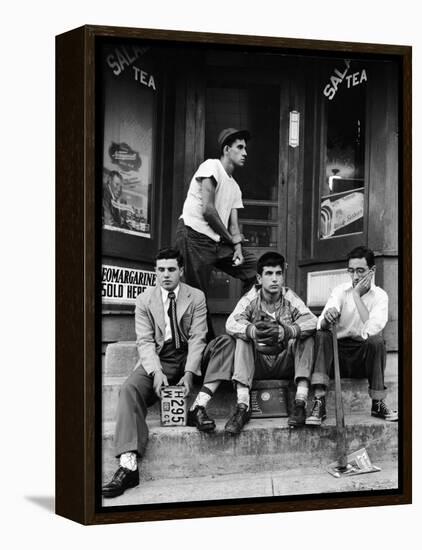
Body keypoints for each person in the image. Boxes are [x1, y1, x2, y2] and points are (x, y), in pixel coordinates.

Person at [102, 247, 208, 498]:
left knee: (214, 352)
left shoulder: (197, 296)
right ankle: (128, 466)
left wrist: (190, 373)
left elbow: (198, 338)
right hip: (160, 358)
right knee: (129, 389)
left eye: (171, 269)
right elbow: (145, 342)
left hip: (189, 357)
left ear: (181, 271)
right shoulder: (144, 300)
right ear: (155, 272)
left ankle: (198, 407)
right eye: (161, 270)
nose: (166, 275)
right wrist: (156, 372)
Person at [187, 252, 317, 434]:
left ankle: (300, 403)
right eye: (269, 274)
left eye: (278, 274)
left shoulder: (290, 297)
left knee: (306, 335)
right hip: (257, 365)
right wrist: (252, 331)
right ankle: (242, 406)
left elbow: (312, 321)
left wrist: (288, 331)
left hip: (284, 362)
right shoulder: (250, 298)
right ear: (259, 278)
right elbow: (231, 323)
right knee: (242, 336)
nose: (274, 279)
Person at [175, 128, 257, 338]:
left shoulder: (235, 187)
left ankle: (240, 321)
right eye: (240, 147)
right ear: (227, 149)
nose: (245, 152)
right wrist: (231, 240)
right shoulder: (211, 166)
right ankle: (205, 350)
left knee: (256, 268)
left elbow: (234, 226)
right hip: (194, 236)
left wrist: (237, 248)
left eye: (245, 148)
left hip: (217, 242)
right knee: (196, 299)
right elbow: (208, 210)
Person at [306, 246, 398, 426]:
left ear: (372, 271)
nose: (355, 276)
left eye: (360, 271)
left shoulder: (380, 296)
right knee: (322, 334)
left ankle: (377, 403)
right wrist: (328, 317)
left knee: (377, 341)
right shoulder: (340, 290)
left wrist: (356, 296)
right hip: (336, 358)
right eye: (351, 271)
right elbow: (321, 323)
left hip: (361, 359)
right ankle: (319, 402)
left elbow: (372, 328)